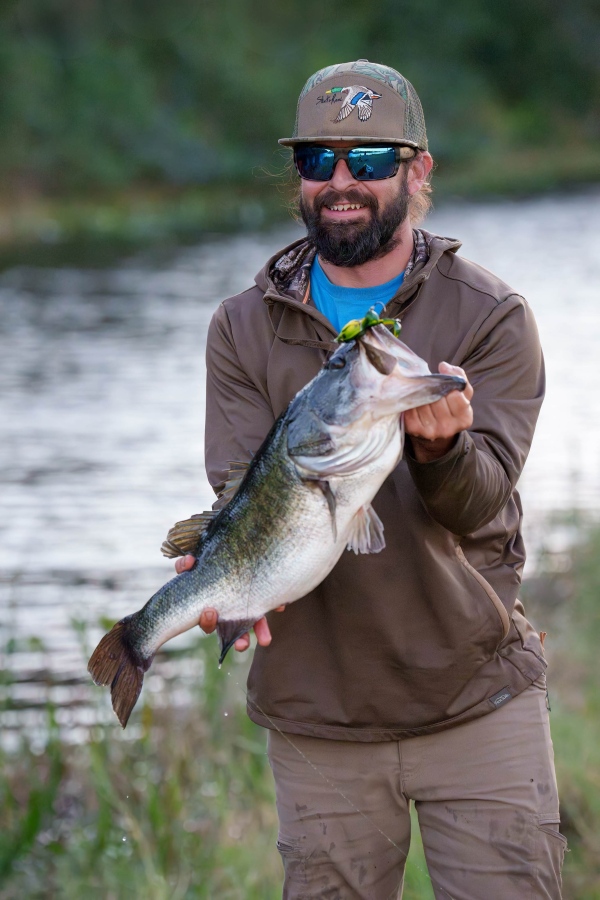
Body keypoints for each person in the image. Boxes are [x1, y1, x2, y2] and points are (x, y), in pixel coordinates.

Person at [176, 60, 565, 898]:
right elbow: (244, 493)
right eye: (319, 161)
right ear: (300, 178)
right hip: (319, 718)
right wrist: (224, 573)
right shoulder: (241, 328)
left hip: (478, 702)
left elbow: (482, 503)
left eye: (371, 161)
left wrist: (440, 450)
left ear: (419, 171)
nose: (341, 183)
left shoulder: (490, 315)